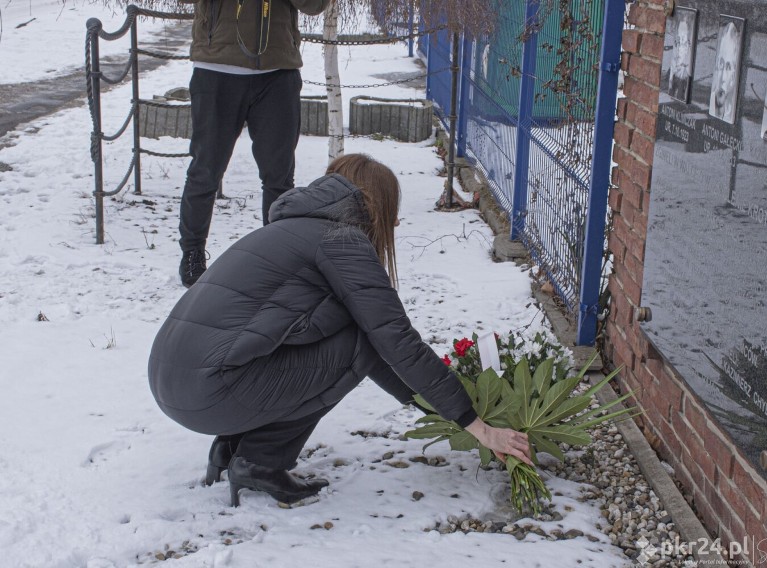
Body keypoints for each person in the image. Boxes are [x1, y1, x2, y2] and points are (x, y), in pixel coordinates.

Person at [149, 154, 533, 507]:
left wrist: (441, 410)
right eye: (392, 211)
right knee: (360, 340)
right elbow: (390, 340)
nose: (394, 222)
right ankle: (260, 461)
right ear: (377, 205)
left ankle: (231, 449)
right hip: (212, 391)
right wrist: (475, 424)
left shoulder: (292, 229)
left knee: (350, 337)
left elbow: (374, 351)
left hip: (172, 383)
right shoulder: (340, 240)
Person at [177, 0, 332, 288]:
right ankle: (192, 252)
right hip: (216, 67)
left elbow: (315, 5)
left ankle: (276, 256)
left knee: (279, 176)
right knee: (205, 171)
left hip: (277, 71)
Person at [709, 21, 741, 124]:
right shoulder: (712, 102)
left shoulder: (733, 111)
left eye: (728, 67)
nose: (722, 77)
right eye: (721, 64)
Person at [668, 13, 693, 102]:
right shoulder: (677, 49)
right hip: (677, 74)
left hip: (683, 77)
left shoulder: (688, 51)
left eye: (684, 36)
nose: (681, 39)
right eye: (680, 36)